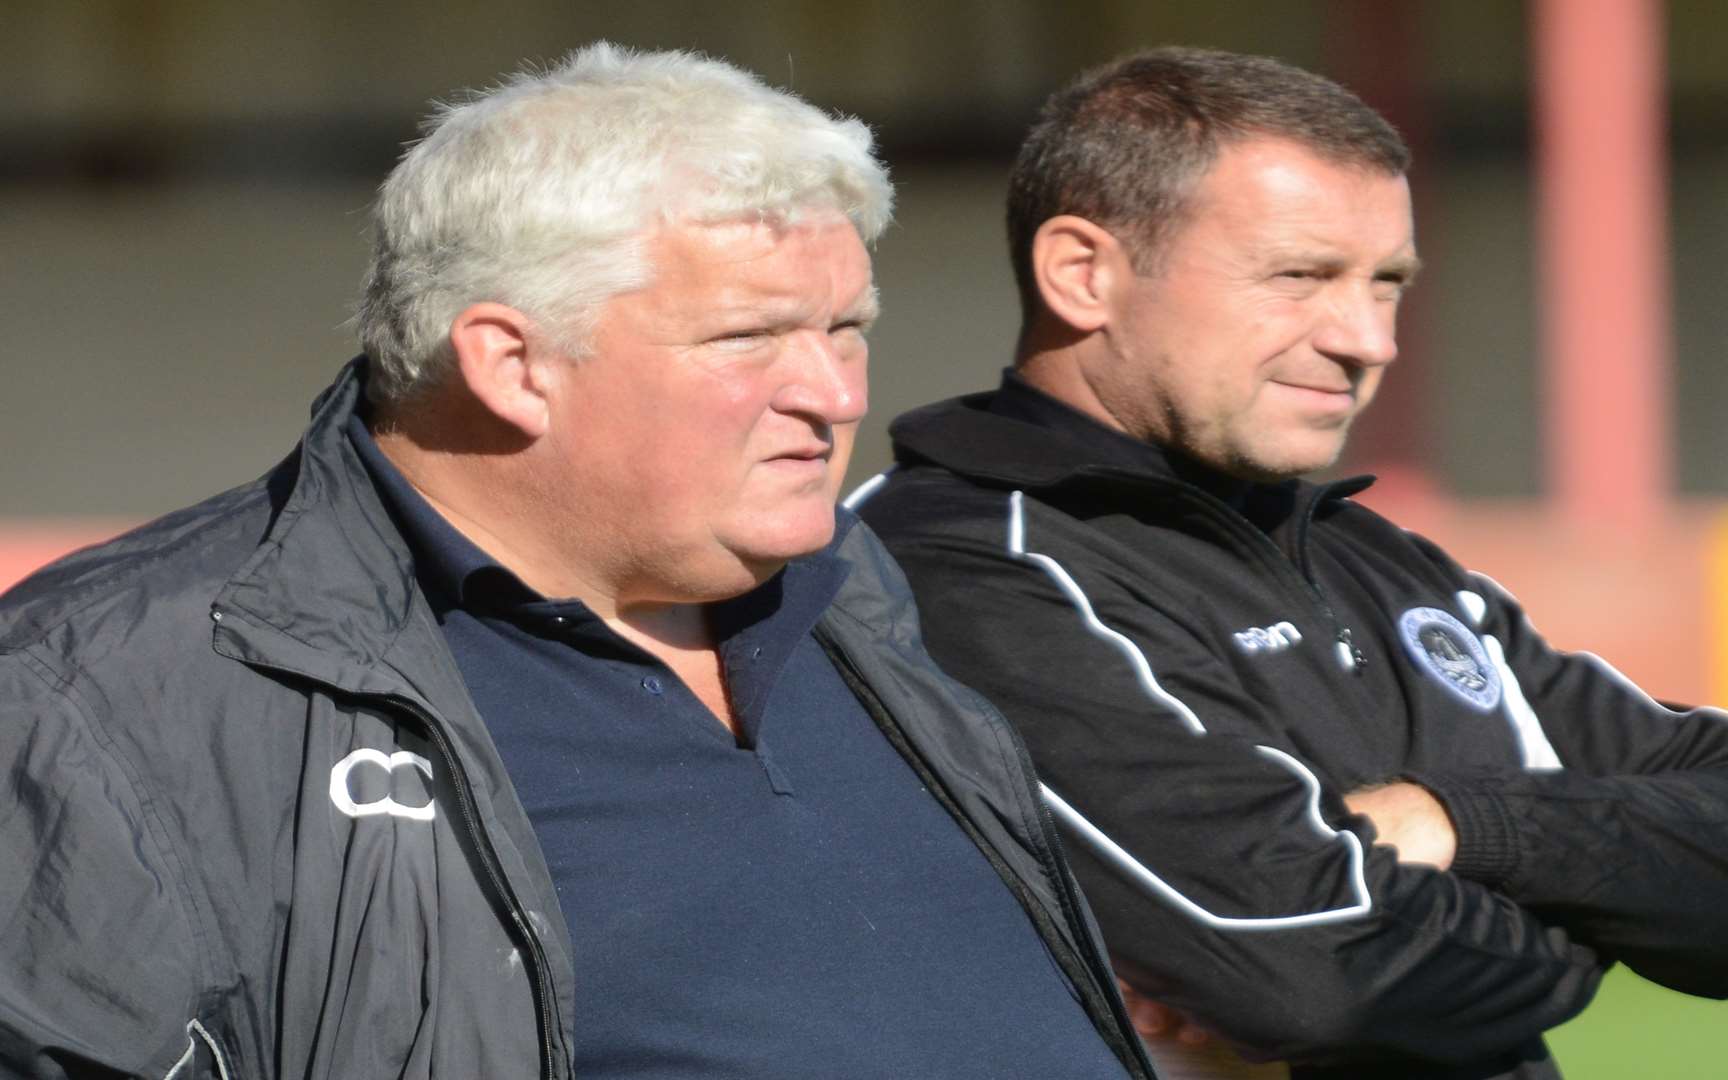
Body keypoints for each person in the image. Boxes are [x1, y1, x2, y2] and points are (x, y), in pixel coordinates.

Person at [0, 44, 1157, 1080]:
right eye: (749, 338)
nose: (836, 395)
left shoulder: (853, 581)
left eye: (847, 328)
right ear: (513, 364)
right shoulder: (109, 690)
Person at [851, 46, 1728, 1080]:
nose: (1369, 339)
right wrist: (1601, 917)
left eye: (1389, 285)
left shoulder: (1382, 563)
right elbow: (1318, 971)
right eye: (1300, 277)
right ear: (1083, 272)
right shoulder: (956, 564)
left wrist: (1458, 825)